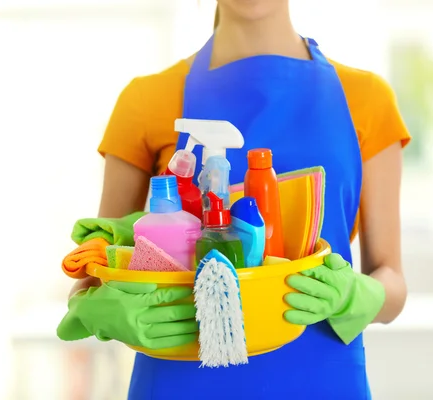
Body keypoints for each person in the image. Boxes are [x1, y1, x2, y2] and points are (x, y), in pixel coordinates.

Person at [60, 1, 411, 398]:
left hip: (321, 382)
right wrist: (104, 309)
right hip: (183, 385)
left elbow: (392, 280)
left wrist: (357, 295)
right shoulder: (146, 100)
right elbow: (93, 269)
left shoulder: (366, 99)